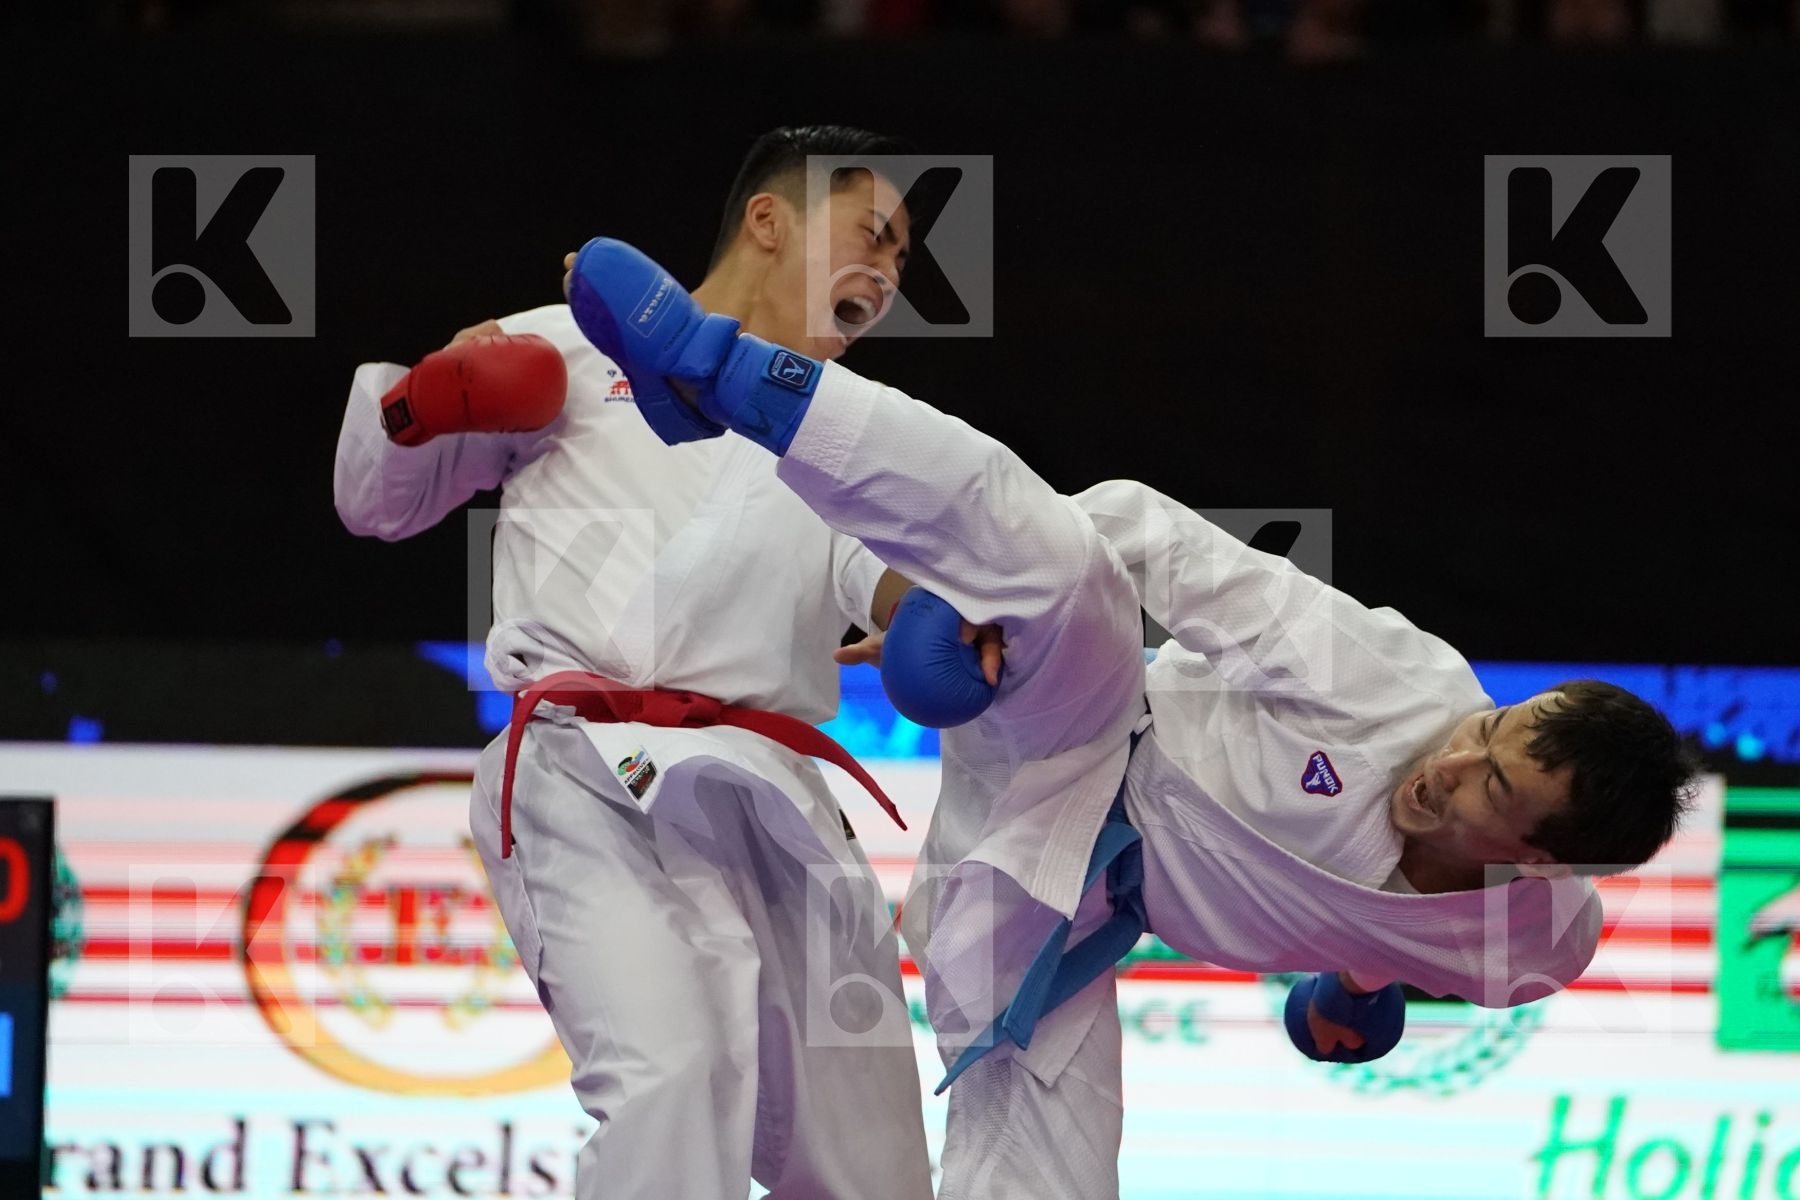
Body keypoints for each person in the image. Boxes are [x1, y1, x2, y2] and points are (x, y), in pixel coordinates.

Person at [562, 235, 1701, 1198]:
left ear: (1539, 865)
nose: (1450, 763)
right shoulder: (1395, 685)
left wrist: (1358, 986)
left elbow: (1398, 936)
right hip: (1083, 715)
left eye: (1490, 790)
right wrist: (967, 596)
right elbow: (1147, 530)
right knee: (1068, 567)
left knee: (1046, 1162)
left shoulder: (1532, 950)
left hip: (1045, 908)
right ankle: (713, 366)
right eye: (1483, 734)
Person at [332, 127, 936, 1200]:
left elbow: (878, 572)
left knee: (870, 1159)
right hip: (586, 777)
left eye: (899, 258)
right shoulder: (569, 346)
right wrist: (425, 397)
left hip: (777, 805)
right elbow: (377, 504)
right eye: (872, 237)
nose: (889, 273)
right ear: (769, 220)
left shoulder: (854, 427)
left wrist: (925, 611)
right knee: (673, 1078)